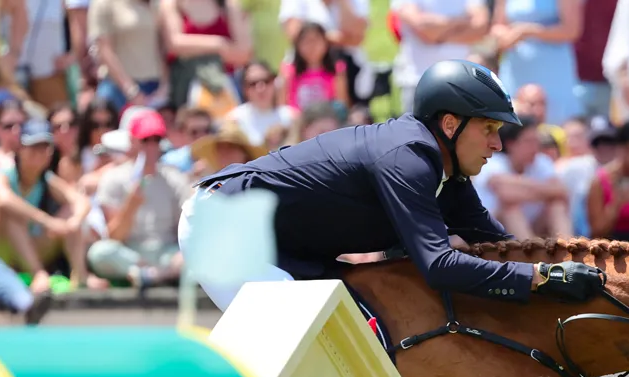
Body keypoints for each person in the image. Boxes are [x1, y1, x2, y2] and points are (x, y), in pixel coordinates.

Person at [179, 59, 606, 311]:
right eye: (490, 128)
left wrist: (575, 267)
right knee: (317, 340)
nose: (498, 143)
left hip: (281, 246)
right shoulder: (409, 159)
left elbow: (500, 246)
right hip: (223, 226)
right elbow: (438, 266)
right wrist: (542, 277)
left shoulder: (448, 173)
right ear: (451, 124)